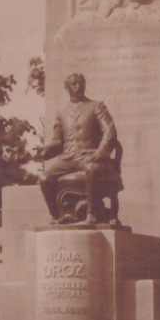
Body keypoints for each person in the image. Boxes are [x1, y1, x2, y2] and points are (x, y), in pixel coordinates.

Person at [40, 73, 118, 224]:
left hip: (90, 156)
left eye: (81, 83)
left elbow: (110, 131)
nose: (78, 86)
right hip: (68, 159)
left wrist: (99, 153)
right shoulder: (61, 113)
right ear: (67, 88)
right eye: (74, 84)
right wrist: (44, 151)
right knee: (44, 178)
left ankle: (92, 215)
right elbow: (57, 142)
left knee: (91, 170)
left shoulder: (96, 106)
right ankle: (57, 216)